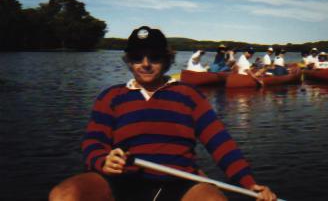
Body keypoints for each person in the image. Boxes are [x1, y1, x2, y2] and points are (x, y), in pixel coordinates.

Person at [49, 26, 277, 201]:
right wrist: (103, 161)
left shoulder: (189, 95)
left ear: (167, 60)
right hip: (121, 180)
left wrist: (248, 183)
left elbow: (221, 144)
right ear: (129, 61)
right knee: (64, 195)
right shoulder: (111, 96)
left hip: (180, 181)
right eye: (137, 57)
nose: (145, 64)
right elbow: (93, 143)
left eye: (154, 57)